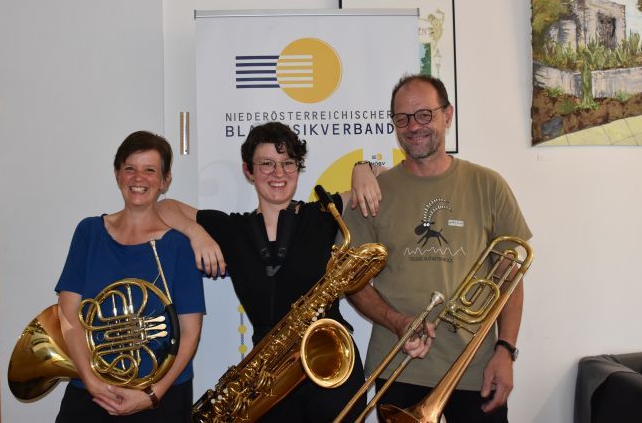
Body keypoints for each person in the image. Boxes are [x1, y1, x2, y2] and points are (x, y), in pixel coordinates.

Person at [158, 121, 431, 422]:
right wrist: (196, 233)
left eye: (288, 163)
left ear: (298, 168)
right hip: (268, 376)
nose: (279, 173)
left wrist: (363, 168)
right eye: (266, 164)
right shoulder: (232, 228)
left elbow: (391, 177)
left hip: (333, 366)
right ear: (248, 171)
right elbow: (163, 207)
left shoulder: (324, 213)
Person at [345, 75, 532, 423]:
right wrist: (397, 322)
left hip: (476, 368)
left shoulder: (488, 185)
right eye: (402, 118)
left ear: (448, 115)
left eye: (424, 114)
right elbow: (351, 281)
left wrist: (505, 351)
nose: (413, 126)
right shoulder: (373, 193)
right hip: (399, 367)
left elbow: (510, 279)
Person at [54, 131, 206, 422]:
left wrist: (152, 394)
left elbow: (190, 331)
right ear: (117, 174)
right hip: (91, 385)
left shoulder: (179, 245)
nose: (139, 178)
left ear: (165, 180)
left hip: (162, 392)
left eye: (150, 170)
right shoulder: (89, 232)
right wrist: (90, 380)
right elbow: (68, 313)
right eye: (130, 168)